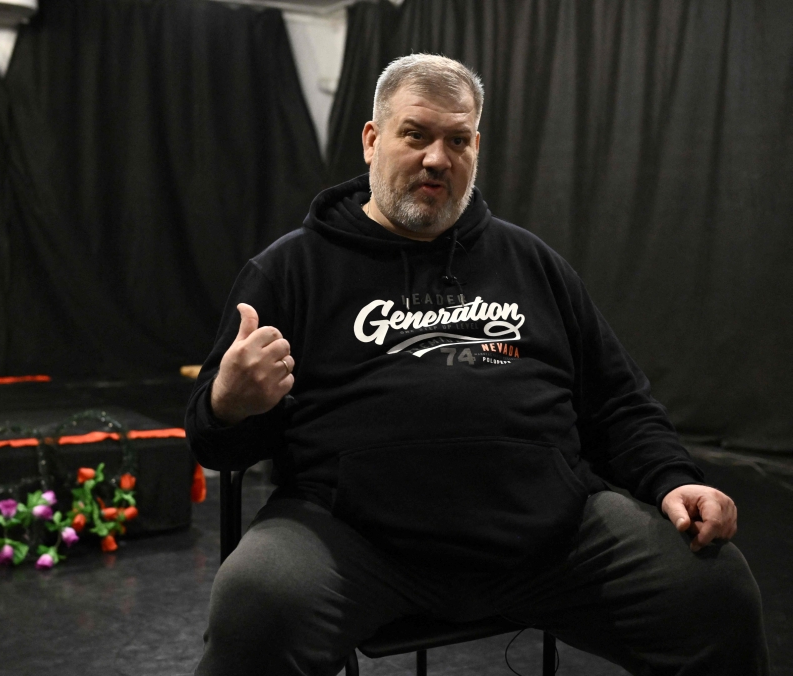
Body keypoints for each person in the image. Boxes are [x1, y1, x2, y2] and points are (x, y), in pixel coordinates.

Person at [185, 54, 769, 676]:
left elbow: (618, 401)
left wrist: (674, 479)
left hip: (554, 540)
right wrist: (229, 404)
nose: (438, 157)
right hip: (355, 542)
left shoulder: (532, 262)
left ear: (475, 147)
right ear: (372, 139)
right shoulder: (291, 270)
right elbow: (212, 442)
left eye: (457, 140)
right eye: (416, 134)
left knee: (713, 587)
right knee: (257, 601)